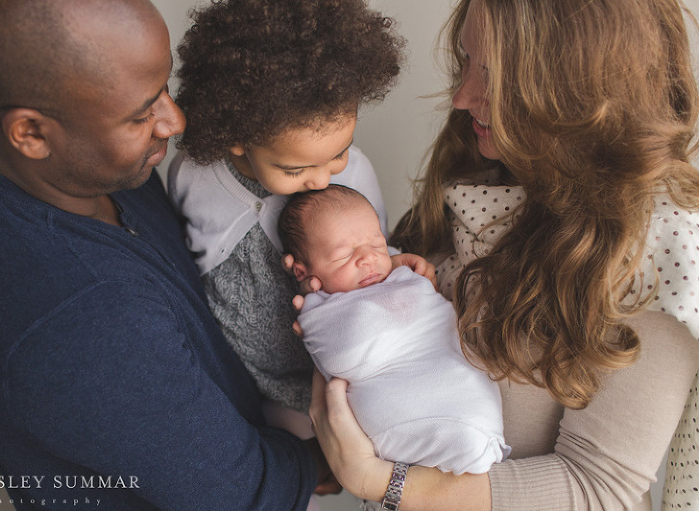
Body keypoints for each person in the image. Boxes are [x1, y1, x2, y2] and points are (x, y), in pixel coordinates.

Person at [306, 0, 699, 510]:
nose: (461, 96)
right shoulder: (496, 168)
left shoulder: (656, 242)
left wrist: (380, 480)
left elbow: (600, 489)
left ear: (578, 87)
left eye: (494, 76)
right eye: (466, 61)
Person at [0, 0, 333, 509]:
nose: (174, 121)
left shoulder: (71, 174)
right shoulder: (77, 315)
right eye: (141, 113)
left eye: (164, 90)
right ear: (32, 133)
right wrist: (330, 458)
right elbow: (239, 495)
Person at [167, 0, 404, 440]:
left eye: (338, 153)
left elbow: (376, 260)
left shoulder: (353, 177)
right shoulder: (193, 177)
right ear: (237, 136)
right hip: (235, 380)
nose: (320, 180)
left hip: (331, 377)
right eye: (294, 170)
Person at [278, 184, 510, 476]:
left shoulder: (403, 275)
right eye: (343, 255)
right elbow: (344, 356)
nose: (368, 258)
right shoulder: (321, 310)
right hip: (401, 417)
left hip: (462, 392)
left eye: (376, 245)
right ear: (302, 272)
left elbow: (434, 318)